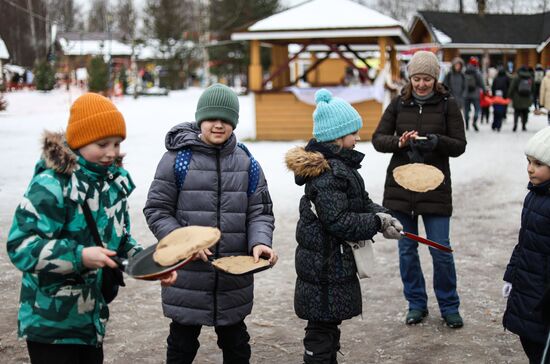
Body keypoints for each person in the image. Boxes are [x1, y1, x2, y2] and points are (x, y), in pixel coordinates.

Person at [6, 93, 176, 364]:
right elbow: (21, 246)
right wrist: (79, 256)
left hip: (91, 320)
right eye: (102, 144)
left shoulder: (112, 182)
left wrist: (149, 264)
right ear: (79, 141)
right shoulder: (51, 185)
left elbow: (119, 240)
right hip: (50, 323)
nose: (112, 152)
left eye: (118, 143)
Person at [143, 83, 277, 364]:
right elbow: (157, 209)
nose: (218, 125)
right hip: (187, 275)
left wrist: (260, 242)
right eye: (212, 118)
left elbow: (260, 212)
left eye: (226, 120)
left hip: (232, 278)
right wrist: (184, 242)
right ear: (199, 119)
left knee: (237, 344)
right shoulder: (177, 160)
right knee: (181, 343)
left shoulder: (247, 163)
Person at [285, 88, 403, 364]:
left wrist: (384, 216)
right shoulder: (328, 175)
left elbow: (360, 202)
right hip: (324, 266)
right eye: (353, 133)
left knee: (328, 325)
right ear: (337, 138)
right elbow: (339, 221)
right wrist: (375, 223)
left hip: (331, 264)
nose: (358, 138)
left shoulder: (341, 168)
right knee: (321, 329)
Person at [372, 51, 467, 328]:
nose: (421, 84)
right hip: (401, 188)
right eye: (416, 79)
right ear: (410, 78)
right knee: (407, 250)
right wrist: (399, 143)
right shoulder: (399, 104)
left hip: (435, 187)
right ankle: (416, 304)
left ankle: (449, 306)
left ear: (435, 79)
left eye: (426, 79)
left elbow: (459, 145)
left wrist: (437, 142)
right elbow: (378, 139)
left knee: (440, 248)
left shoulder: (448, 104)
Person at [502, 127, 550, 364]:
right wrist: (511, 275)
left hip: (544, 295)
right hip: (528, 288)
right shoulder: (534, 196)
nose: (530, 168)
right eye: (528, 161)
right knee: (531, 342)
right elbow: (523, 242)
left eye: (538, 163)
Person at [508, 65, 534, 132]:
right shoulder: (530, 77)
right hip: (527, 98)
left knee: (516, 112)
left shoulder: (517, 77)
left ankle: (515, 125)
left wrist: (509, 95)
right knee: (525, 112)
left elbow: (512, 87)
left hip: (517, 97)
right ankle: (524, 125)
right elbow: (533, 88)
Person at [463, 56, 484, 131]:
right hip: (475, 94)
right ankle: (474, 122)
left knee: (466, 110)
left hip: (466, 94)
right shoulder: (477, 72)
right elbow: (481, 83)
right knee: (477, 109)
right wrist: (484, 90)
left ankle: (467, 125)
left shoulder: (465, 71)